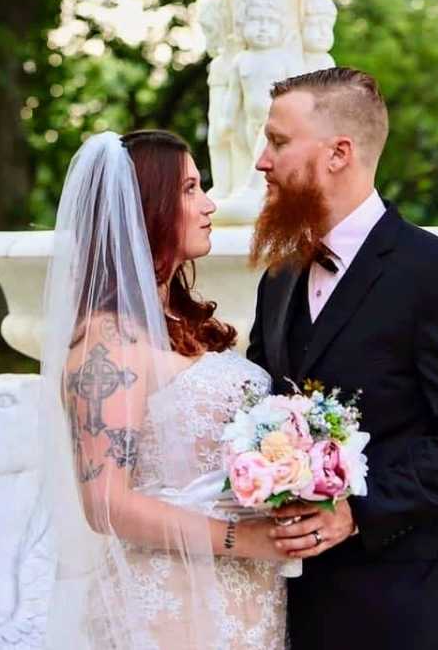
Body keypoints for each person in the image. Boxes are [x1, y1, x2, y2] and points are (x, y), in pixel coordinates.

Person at [246, 68, 438, 650]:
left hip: (410, 604)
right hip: (301, 600)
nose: (263, 162)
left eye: (278, 141)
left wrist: (357, 510)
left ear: (339, 153)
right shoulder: (280, 277)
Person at [39, 129, 287, 649]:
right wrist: (246, 539)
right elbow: (107, 505)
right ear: (147, 207)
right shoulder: (106, 345)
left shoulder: (181, 319)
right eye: (190, 189)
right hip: (170, 605)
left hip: (244, 595)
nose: (209, 203)